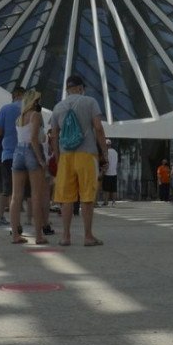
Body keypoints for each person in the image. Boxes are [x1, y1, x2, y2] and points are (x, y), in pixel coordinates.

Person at [49, 75, 107, 247]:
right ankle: (88, 236)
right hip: (87, 155)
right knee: (87, 197)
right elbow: (98, 127)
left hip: (66, 156)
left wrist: (58, 157)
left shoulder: (58, 107)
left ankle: (66, 236)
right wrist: (104, 151)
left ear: (67, 90)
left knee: (66, 199)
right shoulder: (90, 102)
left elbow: (54, 135)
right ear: (81, 88)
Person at [8, 90, 49, 245]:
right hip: (32, 151)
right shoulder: (35, 116)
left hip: (18, 152)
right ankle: (39, 236)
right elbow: (33, 138)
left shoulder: (19, 118)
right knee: (36, 196)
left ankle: (15, 235)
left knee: (16, 196)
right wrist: (40, 159)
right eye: (38, 100)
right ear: (34, 101)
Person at [0, 85, 24, 229]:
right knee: (29, 192)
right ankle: (33, 219)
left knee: (8, 189)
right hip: (27, 153)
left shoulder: (5, 109)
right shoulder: (31, 109)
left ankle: (2, 217)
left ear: (13, 96)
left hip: (9, 154)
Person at [99, 139, 118, 206]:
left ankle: (106, 202)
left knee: (106, 189)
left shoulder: (106, 152)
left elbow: (106, 162)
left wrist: (103, 170)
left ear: (106, 145)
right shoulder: (115, 152)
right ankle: (114, 202)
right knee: (114, 189)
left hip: (107, 173)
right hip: (114, 173)